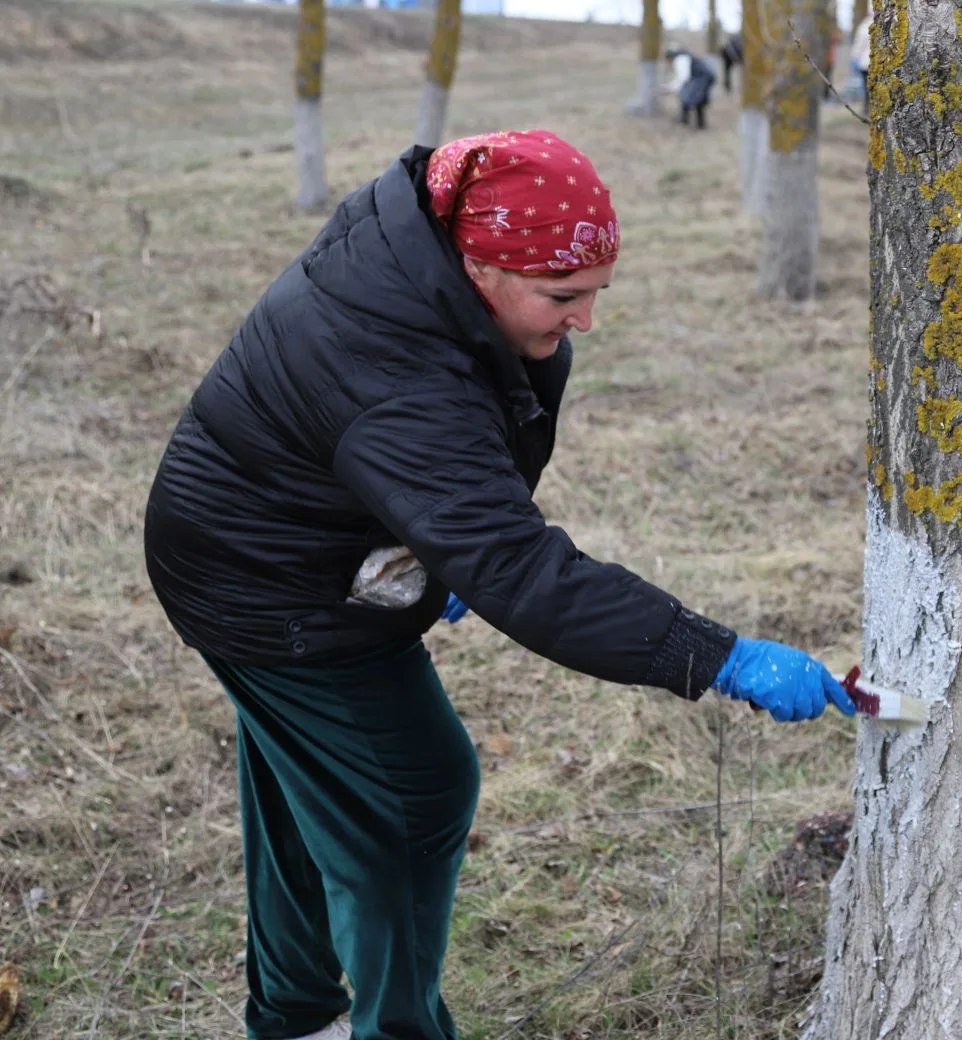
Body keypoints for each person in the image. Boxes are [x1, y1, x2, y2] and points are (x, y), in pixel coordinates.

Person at [142, 129, 854, 1040]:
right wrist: (718, 656)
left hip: (264, 548)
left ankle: (294, 1018)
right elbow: (520, 568)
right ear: (479, 265)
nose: (586, 321)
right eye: (562, 296)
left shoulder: (420, 258)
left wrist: (436, 541)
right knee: (413, 794)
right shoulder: (397, 372)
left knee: (312, 783)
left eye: (596, 293)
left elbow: (463, 472)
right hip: (269, 587)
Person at [663, 45, 717, 129]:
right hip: (704, 77)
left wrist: (670, 88)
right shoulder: (682, 57)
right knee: (694, 97)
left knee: (690, 96)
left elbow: (683, 78)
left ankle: (692, 121)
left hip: (703, 78)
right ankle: (690, 120)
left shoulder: (680, 59)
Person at [850, 4, 872, 107]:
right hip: (873, 61)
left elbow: (859, 44)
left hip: (865, 62)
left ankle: (866, 106)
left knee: (866, 85)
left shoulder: (864, 26)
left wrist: (854, 56)